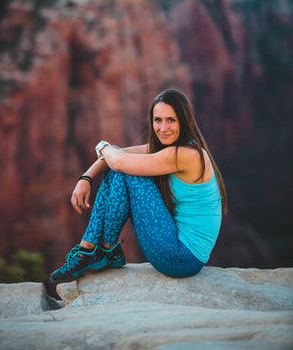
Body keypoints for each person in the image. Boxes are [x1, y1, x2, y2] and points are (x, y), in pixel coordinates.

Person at [50, 89, 227, 283]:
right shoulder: (170, 148)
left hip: (182, 258)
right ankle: (98, 250)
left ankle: (96, 251)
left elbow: (117, 161)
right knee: (122, 168)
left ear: (184, 121)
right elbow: (116, 156)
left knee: (127, 171)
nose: (163, 128)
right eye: (158, 120)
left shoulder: (187, 154)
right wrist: (86, 178)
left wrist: (102, 146)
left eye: (171, 120)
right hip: (177, 249)